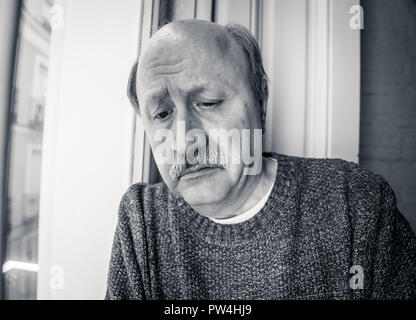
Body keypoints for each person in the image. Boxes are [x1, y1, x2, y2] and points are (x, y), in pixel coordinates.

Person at [105, 19, 416, 299]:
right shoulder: (141, 220)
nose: (186, 140)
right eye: (161, 113)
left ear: (261, 102)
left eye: (208, 102)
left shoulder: (355, 201)